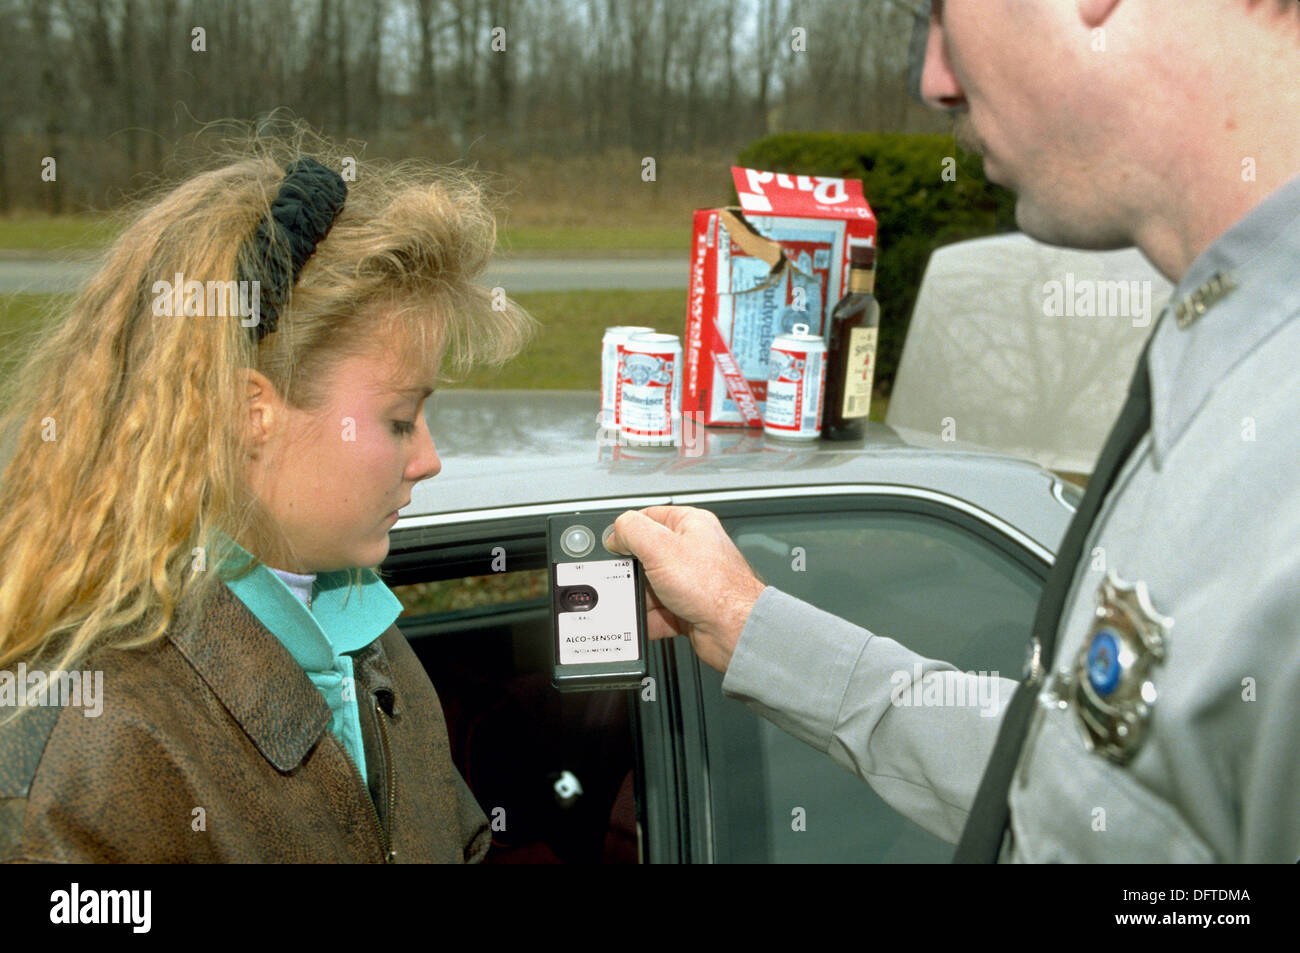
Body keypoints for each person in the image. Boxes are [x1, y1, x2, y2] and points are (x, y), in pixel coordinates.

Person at [609, 0, 1300, 862]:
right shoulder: (1236, 344)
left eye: (941, 11)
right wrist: (748, 624)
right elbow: (1083, 790)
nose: (935, 80)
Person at [0, 120, 533, 862]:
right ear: (255, 414)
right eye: (402, 418)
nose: (429, 458)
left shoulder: (364, 635)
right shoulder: (84, 750)